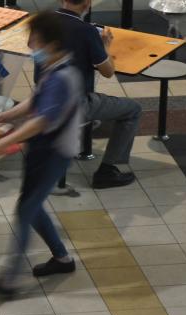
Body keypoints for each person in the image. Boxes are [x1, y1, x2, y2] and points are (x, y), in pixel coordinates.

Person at [0, 10, 82, 292]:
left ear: (51, 43)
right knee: (31, 206)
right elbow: (35, 103)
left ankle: (8, 280)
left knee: (26, 210)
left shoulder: (62, 78)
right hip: (44, 151)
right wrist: (0, 118)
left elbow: (42, 120)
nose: (31, 46)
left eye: (34, 40)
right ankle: (62, 257)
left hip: (54, 153)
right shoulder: (55, 69)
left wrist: (3, 141)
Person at [55, 0, 141, 189]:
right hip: (75, 103)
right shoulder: (86, 31)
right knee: (133, 110)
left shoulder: (44, 23)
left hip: (44, 98)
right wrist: (105, 46)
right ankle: (108, 171)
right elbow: (108, 71)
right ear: (87, 3)